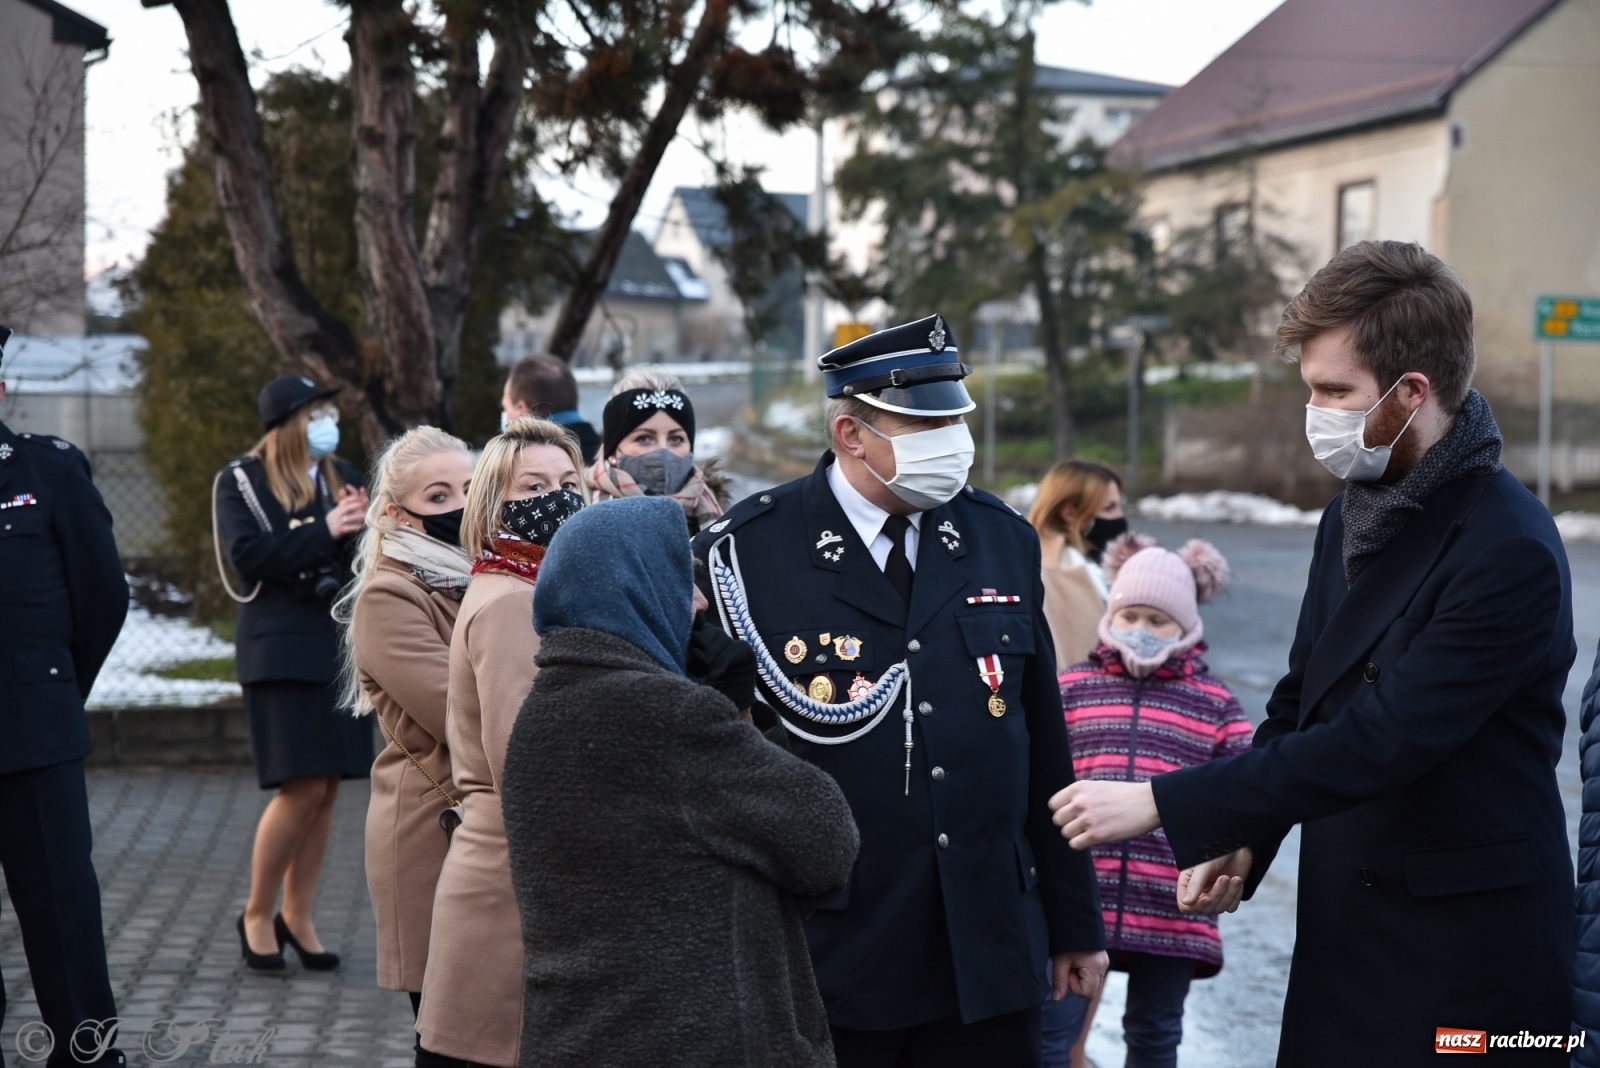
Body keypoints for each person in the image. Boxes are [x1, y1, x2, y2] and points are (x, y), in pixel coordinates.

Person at [1050, 241, 1577, 1065]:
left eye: (1335, 392)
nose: (1315, 412)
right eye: (1310, 388)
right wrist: (1247, 834)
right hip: (1349, 939)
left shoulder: (1509, 546)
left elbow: (1382, 739)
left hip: (1470, 962)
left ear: (1412, 393)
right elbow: (1302, 703)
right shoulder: (1350, 515)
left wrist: (1163, 799)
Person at [692, 314, 1107, 1068]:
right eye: (926, 424)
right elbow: (713, 768)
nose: (952, 440)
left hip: (987, 948)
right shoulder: (749, 553)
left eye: (955, 418)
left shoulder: (999, 537)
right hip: (835, 951)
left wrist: (1075, 923)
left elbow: (1043, 741)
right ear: (851, 433)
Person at [502, 495, 861, 1068]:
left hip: (585, 1036)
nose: (699, 600)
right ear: (634, 584)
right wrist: (735, 708)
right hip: (694, 1041)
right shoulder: (667, 714)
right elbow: (824, 840)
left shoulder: (545, 706)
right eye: (681, 576)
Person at [415, 417, 587, 1068]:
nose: (558, 498)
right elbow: (527, 758)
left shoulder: (530, 585)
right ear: (493, 504)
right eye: (534, 486)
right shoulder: (514, 601)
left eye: (569, 482)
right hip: (508, 887)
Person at [1054, 537, 1250, 1068]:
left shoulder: (1214, 703)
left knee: (1155, 1034)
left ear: (1186, 626)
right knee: (1055, 1032)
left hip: (1171, 906)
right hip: (1083, 904)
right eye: (1130, 615)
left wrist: (1230, 850)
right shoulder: (1071, 689)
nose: (1140, 629)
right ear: (1110, 615)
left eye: (1158, 620)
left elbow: (1248, 784)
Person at [0, 325, 130, 1066]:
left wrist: (49, 691)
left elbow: (102, 598)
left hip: (35, 738)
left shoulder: (45, 470)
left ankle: (88, 1055)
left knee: (62, 920)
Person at [214, 374, 373, 974]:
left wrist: (363, 529)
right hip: (280, 650)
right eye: (315, 413)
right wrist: (323, 529)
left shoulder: (343, 474)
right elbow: (249, 556)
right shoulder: (242, 480)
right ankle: (258, 913)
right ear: (285, 424)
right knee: (300, 787)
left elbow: (360, 560)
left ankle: (298, 915)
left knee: (326, 789)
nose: (327, 422)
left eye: (329, 410)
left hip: (335, 646)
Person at [332, 427, 474, 1022]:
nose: (462, 506)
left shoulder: (490, 576)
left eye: (471, 488)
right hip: (435, 835)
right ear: (397, 514)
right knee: (447, 1036)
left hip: (483, 829)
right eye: (439, 496)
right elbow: (461, 716)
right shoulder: (390, 598)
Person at [589, 367, 727, 535]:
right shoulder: (580, 510)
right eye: (644, 438)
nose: (663, 450)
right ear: (612, 451)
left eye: (676, 439)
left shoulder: (720, 516)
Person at [1029, 460, 1126, 672]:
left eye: (1120, 506)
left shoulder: (1096, 564)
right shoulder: (1054, 573)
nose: (1120, 516)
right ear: (1070, 513)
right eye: (1110, 508)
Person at [501, 353, 600, 464]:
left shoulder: (527, 465)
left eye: (506, 408)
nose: (506, 415)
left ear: (522, 409)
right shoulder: (605, 455)